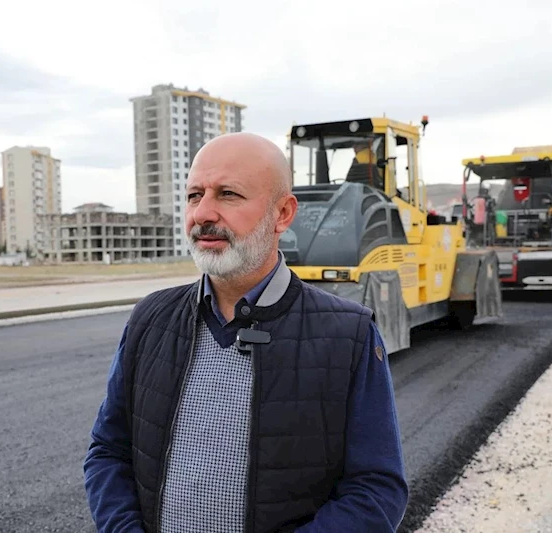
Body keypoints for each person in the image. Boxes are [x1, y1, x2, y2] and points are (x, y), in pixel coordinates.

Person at [83, 132, 408, 533]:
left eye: (228, 195)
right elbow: (108, 451)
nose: (202, 213)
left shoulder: (349, 335)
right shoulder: (150, 319)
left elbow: (375, 491)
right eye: (194, 195)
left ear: (283, 214)